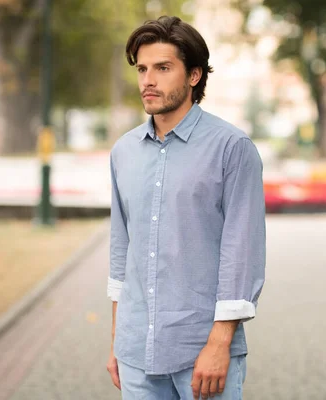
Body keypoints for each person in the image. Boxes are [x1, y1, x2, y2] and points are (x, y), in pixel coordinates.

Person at [105, 16, 266, 400]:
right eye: (142, 69)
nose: (148, 80)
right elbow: (120, 251)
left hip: (201, 352)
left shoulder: (232, 148)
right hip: (135, 352)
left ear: (194, 75)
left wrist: (219, 345)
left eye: (163, 68)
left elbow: (241, 255)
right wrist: (117, 341)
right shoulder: (123, 152)